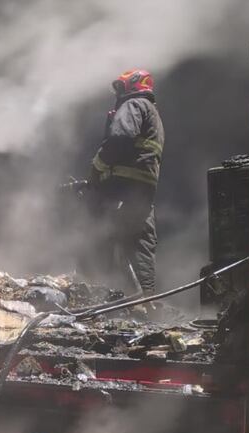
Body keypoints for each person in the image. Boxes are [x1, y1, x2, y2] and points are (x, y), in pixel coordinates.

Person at [87, 69, 164, 294]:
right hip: (144, 189)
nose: (118, 94)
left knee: (102, 235)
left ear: (132, 86)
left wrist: (97, 167)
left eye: (121, 88)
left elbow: (120, 138)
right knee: (141, 242)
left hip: (121, 187)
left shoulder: (133, 105)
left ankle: (102, 292)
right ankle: (147, 300)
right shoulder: (154, 114)